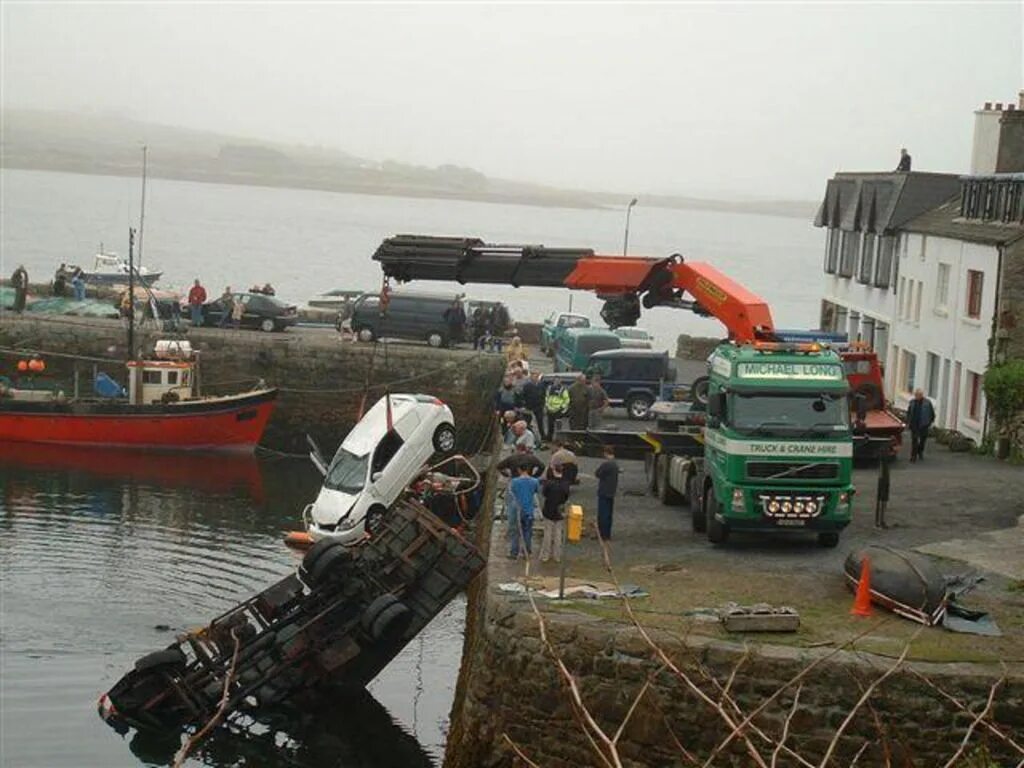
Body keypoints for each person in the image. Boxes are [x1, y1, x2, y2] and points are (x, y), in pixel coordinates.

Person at [539, 466, 571, 563]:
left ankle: (545, 555)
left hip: (549, 508)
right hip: (560, 509)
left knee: (548, 533)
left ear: (554, 471)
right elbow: (566, 496)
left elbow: (544, 494)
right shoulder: (566, 484)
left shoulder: (549, 483)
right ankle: (557, 556)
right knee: (558, 534)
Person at [508, 464, 540, 559]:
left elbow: (512, 492)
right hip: (528, 510)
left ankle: (514, 553)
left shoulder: (514, 481)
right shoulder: (535, 481)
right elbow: (535, 492)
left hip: (516, 510)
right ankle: (527, 552)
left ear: (519, 470)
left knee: (515, 532)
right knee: (528, 532)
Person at [594, 446, 621, 541]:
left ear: (606, 453)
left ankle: (602, 535)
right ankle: (607, 534)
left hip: (604, 492)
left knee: (603, 514)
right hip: (611, 492)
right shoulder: (615, 464)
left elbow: (597, 473)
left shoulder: (607, 464)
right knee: (609, 515)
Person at [906, 388, 936, 462]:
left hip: (924, 425)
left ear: (922, 395)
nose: (917, 396)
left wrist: (929, 422)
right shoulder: (912, 402)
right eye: (916, 395)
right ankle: (913, 456)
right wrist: (908, 421)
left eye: (918, 395)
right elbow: (909, 412)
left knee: (922, 440)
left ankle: (920, 451)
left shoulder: (927, 403)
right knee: (914, 441)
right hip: (914, 424)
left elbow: (932, 414)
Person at [521, 371, 546, 443]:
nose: (535, 377)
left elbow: (543, 395)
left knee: (540, 422)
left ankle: (543, 437)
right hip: (529, 407)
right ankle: (530, 437)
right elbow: (524, 396)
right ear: (531, 377)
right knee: (528, 423)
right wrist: (525, 406)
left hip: (539, 407)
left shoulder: (541, 385)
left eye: (536, 376)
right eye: (533, 376)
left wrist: (543, 405)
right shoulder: (527, 386)